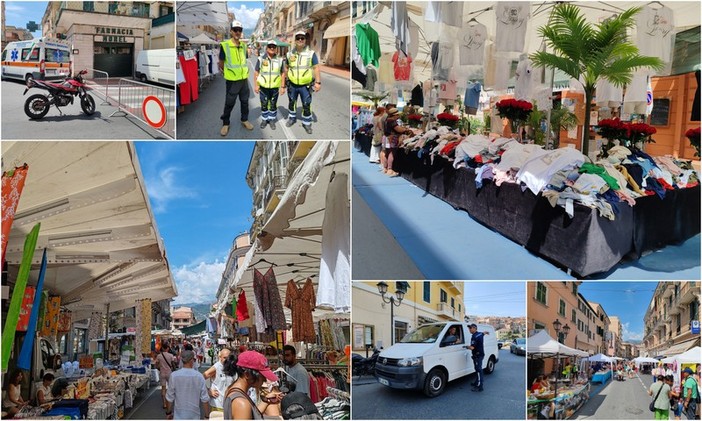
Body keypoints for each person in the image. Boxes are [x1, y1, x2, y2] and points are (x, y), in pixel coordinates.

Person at [222, 351, 282, 419]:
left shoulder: (232, 390)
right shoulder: (241, 403)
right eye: (262, 376)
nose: (265, 380)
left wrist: (266, 401)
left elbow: (251, 415)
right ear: (247, 374)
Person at [219, 20, 254, 136]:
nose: (237, 32)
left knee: (245, 102)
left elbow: (245, 61)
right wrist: (227, 73)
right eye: (235, 30)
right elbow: (221, 62)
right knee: (229, 103)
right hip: (232, 80)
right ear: (231, 31)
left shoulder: (244, 47)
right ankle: (225, 123)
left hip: (244, 80)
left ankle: (244, 120)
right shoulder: (225, 45)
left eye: (240, 30)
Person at [285, 30, 321, 134]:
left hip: (305, 86)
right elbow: (286, 68)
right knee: (292, 102)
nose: (300, 40)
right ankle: (292, 118)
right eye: (298, 38)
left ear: (305, 40)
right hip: (292, 85)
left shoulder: (311, 54)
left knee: (306, 104)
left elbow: (316, 68)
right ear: (295, 40)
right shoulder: (289, 54)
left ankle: (307, 123)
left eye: (302, 38)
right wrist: (286, 80)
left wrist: (318, 83)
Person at [165, 350, 209, 420]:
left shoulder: (174, 376)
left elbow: (169, 397)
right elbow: (205, 398)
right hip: (194, 415)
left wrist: (168, 412)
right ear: (192, 360)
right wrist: (207, 416)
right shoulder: (199, 376)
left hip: (179, 415)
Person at [254, 40, 286, 130]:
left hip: (275, 87)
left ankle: (271, 120)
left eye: (274, 47)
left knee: (273, 104)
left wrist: (283, 86)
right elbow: (256, 72)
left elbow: (283, 73)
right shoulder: (261, 59)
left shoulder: (280, 60)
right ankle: (264, 120)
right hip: (263, 87)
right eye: (270, 46)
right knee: (264, 104)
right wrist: (256, 85)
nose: (272, 48)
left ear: (276, 49)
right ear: (267, 48)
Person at [203, 347, 233, 413]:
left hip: (230, 405)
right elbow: (200, 379)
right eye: (225, 358)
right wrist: (208, 390)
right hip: (217, 405)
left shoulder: (231, 367)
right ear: (220, 357)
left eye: (228, 358)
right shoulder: (216, 367)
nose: (226, 360)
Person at [382, 108, 407, 177]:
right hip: (392, 138)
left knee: (386, 153)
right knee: (392, 153)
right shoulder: (392, 121)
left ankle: (385, 168)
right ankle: (390, 169)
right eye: (397, 114)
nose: (398, 116)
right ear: (395, 115)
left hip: (386, 137)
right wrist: (405, 129)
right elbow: (398, 129)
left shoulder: (386, 120)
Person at [157, 342, 178, 410]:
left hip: (162, 373)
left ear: (162, 348)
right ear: (168, 348)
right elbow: (174, 364)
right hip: (169, 373)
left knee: (163, 388)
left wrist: (159, 368)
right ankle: (170, 402)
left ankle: (164, 404)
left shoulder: (159, 356)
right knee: (170, 388)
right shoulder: (171, 355)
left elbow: (156, 365)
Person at [467, 323, 486, 392]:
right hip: (480, 354)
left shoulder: (474, 337)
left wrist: (466, 347)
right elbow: (484, 333)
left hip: (478, 356)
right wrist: (486, 332)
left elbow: (472, 347)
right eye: (469, 328)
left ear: (475, 328)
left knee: (478, 370)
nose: (469, 329)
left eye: (470, 328)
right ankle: (476, 382)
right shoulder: (480, 334)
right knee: (477, 369)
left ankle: (479, 386)